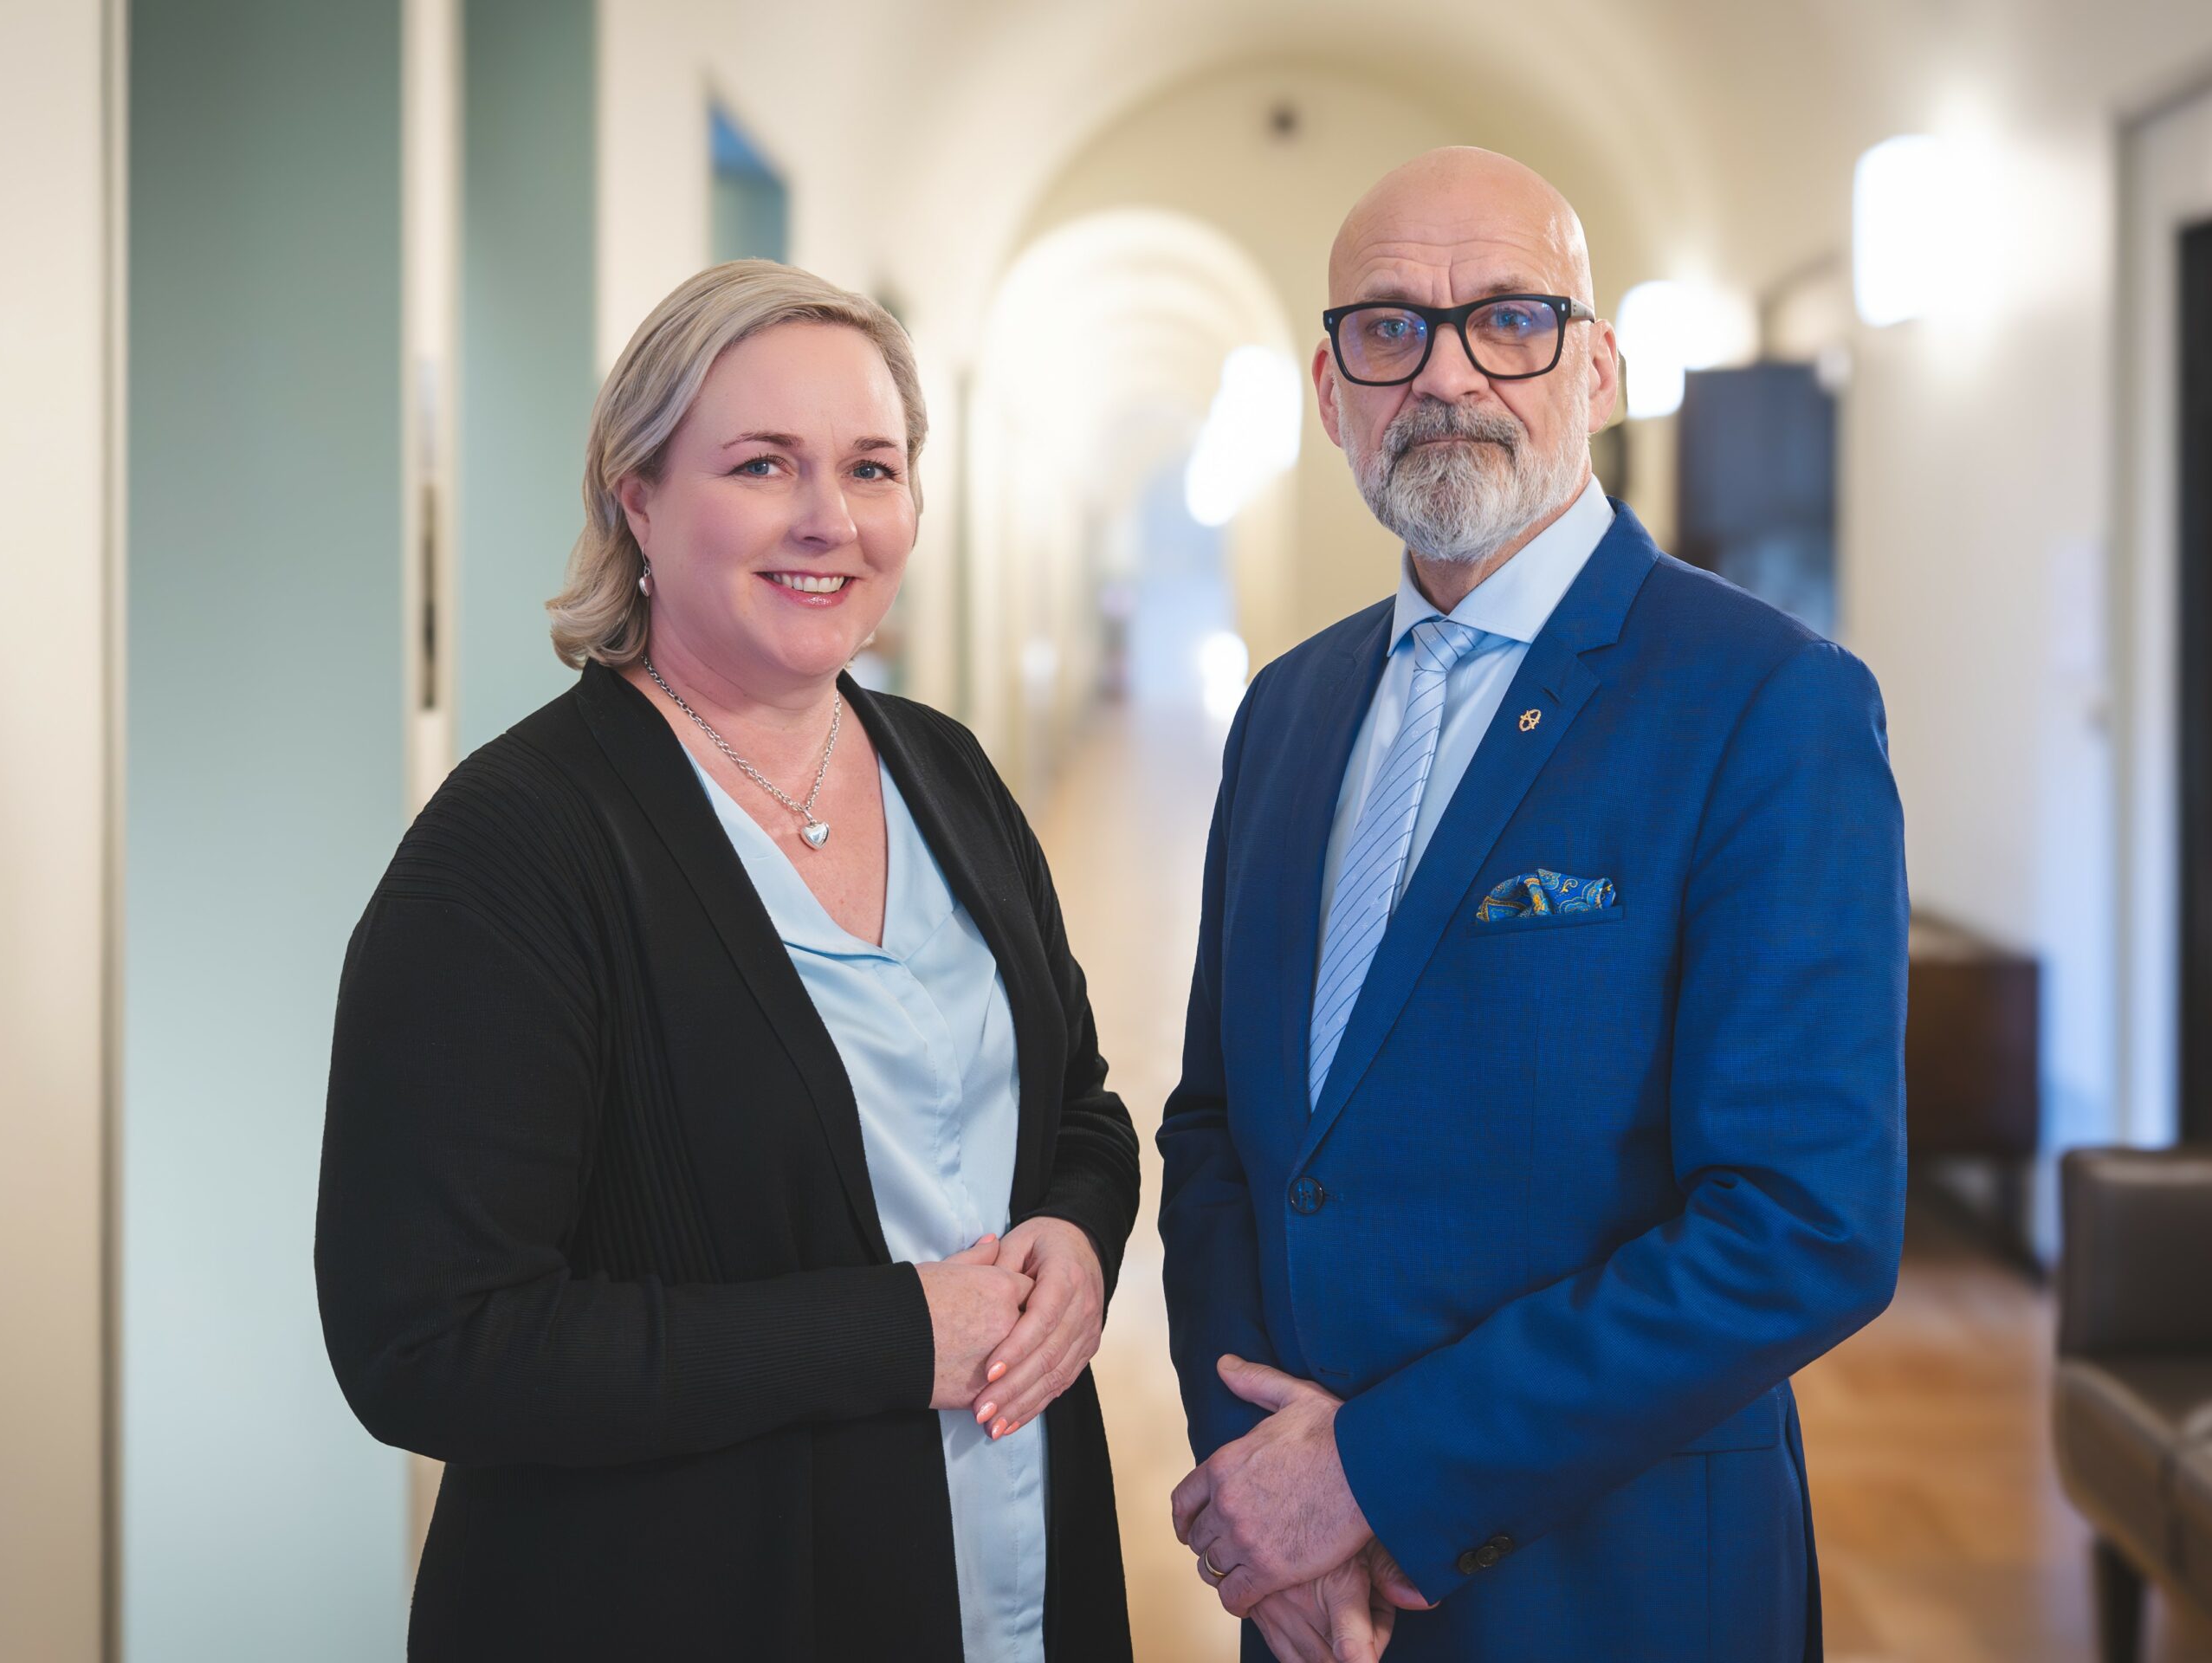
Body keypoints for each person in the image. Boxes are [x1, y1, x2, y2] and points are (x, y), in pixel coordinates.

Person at [316, 260, 1139, 1662]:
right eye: (763, 465)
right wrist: (895, 1336)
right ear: (635, 497)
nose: (830, 519)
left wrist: (1079, 1235)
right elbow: (431, 1344)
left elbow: (1079, 1109)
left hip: (1012, 1569)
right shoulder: (514, 850)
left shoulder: (946, 773)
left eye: (871, 468)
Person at [1157, 147, 1907, 1662]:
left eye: (1510, 318)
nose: (1446, 373)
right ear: (1331, 392)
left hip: (1616, 1581)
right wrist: (1262, 1490)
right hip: (1305, 1597)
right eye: (1389, 328)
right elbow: (1221, 1128)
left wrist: (1367, 1477)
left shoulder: (1768, 702)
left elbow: (1803, 1225)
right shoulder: (1287, 710)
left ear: (1599, 370)